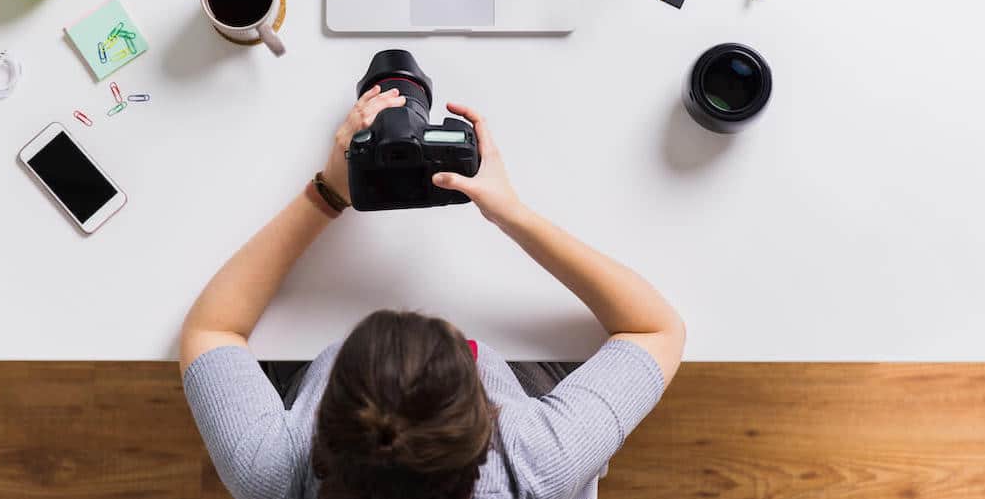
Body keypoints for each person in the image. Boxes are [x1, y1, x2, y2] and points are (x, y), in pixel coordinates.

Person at [180, 88, 687, 499]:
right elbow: (655, 327)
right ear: (488, 426)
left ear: (319, 425)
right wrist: (511, 212)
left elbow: (212, 328)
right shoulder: (537, 462)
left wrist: (329, 192)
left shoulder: (270, 468)